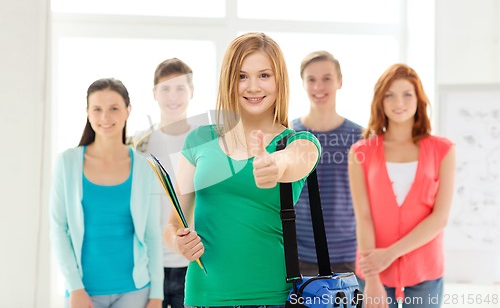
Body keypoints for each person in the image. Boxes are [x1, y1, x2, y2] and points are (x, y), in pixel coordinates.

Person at [163, 32, 321, 307]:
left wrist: (275, 164)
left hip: (271, 298)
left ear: (279, 80)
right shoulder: (199, 140)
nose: (253, 87)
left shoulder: (298, 142)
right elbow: (173, 223)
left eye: (264, 75)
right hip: (203, 297)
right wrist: (178, 243)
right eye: (242, 76)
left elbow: (296, 160)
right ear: (229, 80)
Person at [348, 64, 456, 308]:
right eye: (390, 94)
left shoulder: (443, 150)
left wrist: (390, 253)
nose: (399, 102)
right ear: (380, 100)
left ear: (418, 99)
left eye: (407, 93)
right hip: (373, 272)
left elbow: (439, 218)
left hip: (425, 273)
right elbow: (363, 217)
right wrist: (373, 278)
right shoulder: (361, 153)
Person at [50, 78, 163, 308]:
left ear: (127, 111)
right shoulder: (67, 162)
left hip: (135, 291)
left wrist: (157, 295)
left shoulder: (144, 167)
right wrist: (75, 287)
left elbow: (152, 233)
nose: (105, 118)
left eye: (114, 109)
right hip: (83, 292)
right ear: (87, 113)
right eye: (97, 109)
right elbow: (58, 228)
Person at [292, 51, 362, 275]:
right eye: (311, 79)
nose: (318, 87)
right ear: (302, 84)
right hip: (297, 255)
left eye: (326, 79)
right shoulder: (289, 135)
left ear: (340, 81)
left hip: (347, 257)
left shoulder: (359, 137)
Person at [132, 58, 195, 308]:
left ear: (192, 92)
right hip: (149, 262)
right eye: (165, 88)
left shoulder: (202, 140)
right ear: (154, 93)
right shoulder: (140, 143)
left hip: (191, 260)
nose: (173, 96)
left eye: (180, 88)